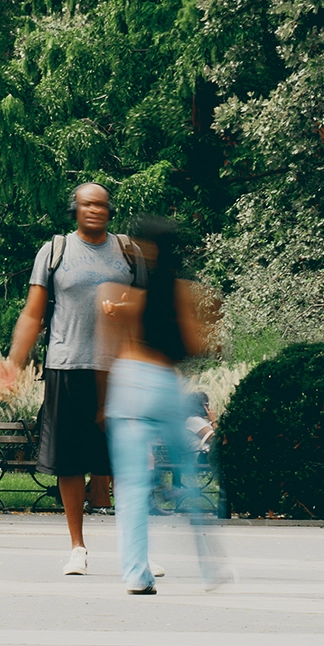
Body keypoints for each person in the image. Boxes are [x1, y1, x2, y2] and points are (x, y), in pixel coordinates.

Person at [0, 182, 145, 574]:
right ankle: (78, 547)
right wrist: (13, 363)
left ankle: (136, 547)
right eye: (88, 203)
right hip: (67, 365)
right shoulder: (55, 251)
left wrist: (125, 306)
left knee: (125, 459)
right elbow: (32, 313)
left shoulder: (128, 251)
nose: (96, 210)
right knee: (70, 462)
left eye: (103, 205)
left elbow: (149, 307)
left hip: (117, 370)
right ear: (74, 207)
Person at [97, 216, 229, 594]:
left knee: (132, 486)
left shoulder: (122, 291)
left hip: (127, 384)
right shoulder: (180, 291)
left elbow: (110, 347)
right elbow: (192, 344)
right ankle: (208, 567)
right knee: (188, 473)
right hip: (161, 382)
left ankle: (137, 576)